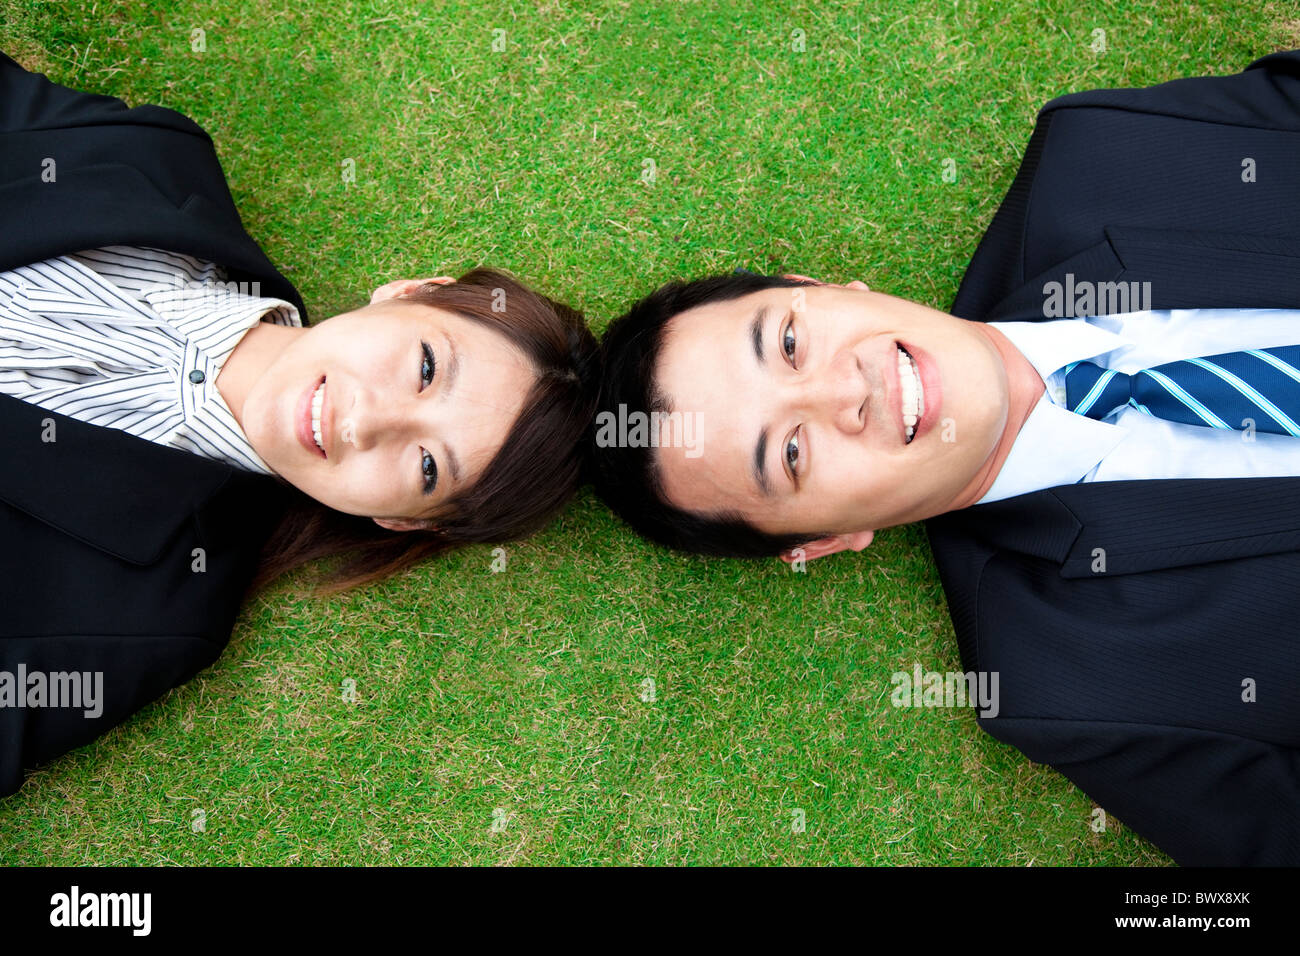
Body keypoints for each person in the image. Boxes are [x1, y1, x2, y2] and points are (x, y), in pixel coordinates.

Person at [588, 49, 1300, 865]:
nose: (840, 394)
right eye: (789, 453)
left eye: (788, 341)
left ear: (819, 286)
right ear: (822, 542)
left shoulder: (1110, 149)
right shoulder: (1073, 687)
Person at [0, 51, 597, 797]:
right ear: (413, 292)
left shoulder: (151, 614)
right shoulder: (154, 161)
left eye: (427, 467)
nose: (368, 419)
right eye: (425, 369)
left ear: (401, 522)